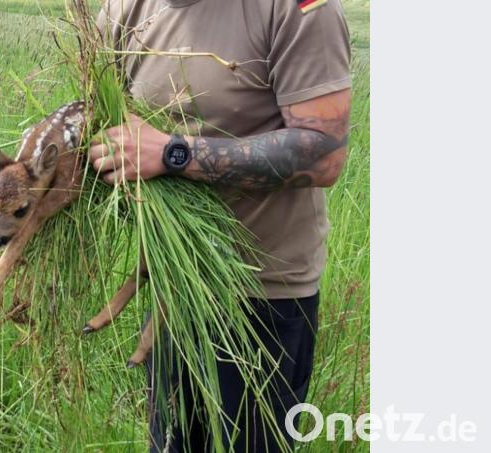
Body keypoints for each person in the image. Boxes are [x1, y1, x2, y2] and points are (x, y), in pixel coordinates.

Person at [90, 0, 351, 451]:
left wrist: (174, 154)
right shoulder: (124, 8)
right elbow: (103, 123)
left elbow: (324, 153)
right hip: (176, 286)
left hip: (262, 299)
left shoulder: (296, 9)